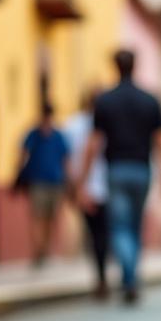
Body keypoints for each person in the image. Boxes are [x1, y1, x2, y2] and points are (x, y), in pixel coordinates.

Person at [78, 50, 161, 305]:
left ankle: (129, 275)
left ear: (115, 67)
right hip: (142, 169)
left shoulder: (105, 101)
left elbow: (93, 143)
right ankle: (131, 277)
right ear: (135, 66)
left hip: (116, 169)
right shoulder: (150, 100)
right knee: (134, 225)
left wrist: (82, 179)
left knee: (119, 226)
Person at [63, 90, 109, 299]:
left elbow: (67, 160)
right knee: (103, 235)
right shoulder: (105, 124)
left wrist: (75, 187)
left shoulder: (71, 125)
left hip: (88, 187)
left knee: (95, 235)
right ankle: (102, 276)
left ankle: (101, 276)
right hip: (104, 187)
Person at [18, 102, 70, 269]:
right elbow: (23, 155)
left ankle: (44, 249)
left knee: (49, 218)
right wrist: (20, 175)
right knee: (37, 217)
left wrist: (68, 181)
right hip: (37, 181)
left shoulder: (58, 136)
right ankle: (38, 250)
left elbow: (65, 160)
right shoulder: (33, 134)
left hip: (55, 182)